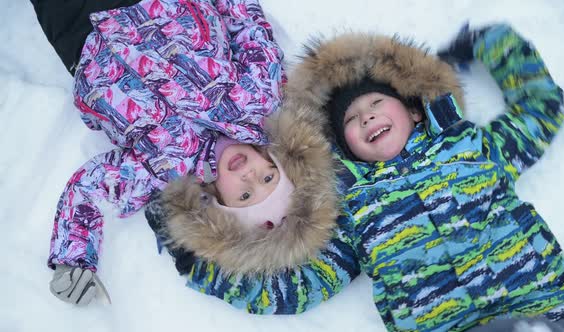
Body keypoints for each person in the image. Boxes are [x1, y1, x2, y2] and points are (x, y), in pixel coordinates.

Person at [147, 23, 564, 331]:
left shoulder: (474, 151)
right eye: (352, 121)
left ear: (415, 110)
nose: (367, 116)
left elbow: (540, 111)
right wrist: (197, 262)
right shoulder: (355, 211)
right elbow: (300, 288)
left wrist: (493, 45)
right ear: (343, 150)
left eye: (376, 103)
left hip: (541, 309)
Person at [32, 0, 338, 306]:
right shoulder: (260, 99)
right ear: (277, 160)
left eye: (245, 196)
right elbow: (246, 25)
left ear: (220, 204)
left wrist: (74, 257)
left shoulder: (164, 171)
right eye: (269, 177)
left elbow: (92, 186)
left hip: (80, 31)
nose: (249, 176)